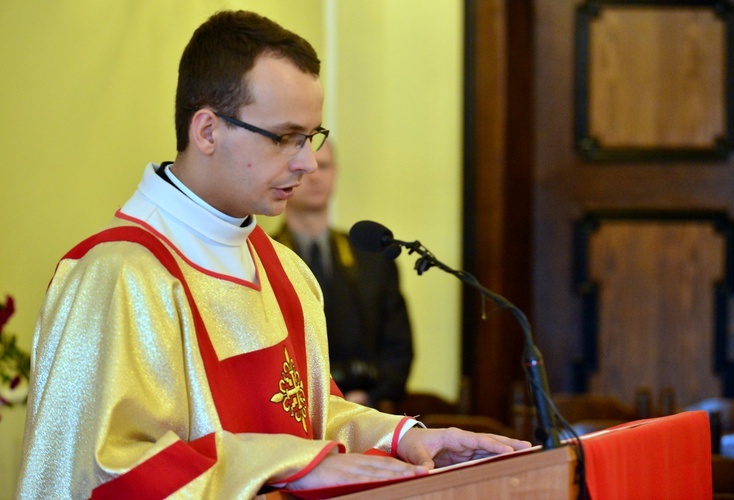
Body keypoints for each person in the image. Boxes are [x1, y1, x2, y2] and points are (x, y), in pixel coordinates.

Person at [17, 10, 530, 499]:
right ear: (208, 130)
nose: (306, 163)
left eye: (311, 137)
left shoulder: (284, 270)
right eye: (285, 137)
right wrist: (293, 466)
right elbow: (99, 472)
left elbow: (310, 416)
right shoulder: (115, 276)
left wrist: (403, 439)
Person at [273, 140, 413, 411]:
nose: (316, 177)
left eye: (324, 166)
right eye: (306, 168)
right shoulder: (262, 256)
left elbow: (398, 346)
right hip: (293, 411)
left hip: (367, 409)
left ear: (335, 173)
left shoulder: (372, 259)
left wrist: (370, 397)